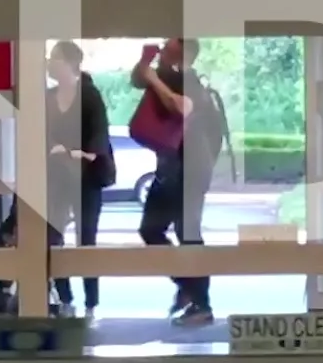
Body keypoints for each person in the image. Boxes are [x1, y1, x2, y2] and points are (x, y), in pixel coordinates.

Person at [130, 39, 215, 326]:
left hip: (191, 166)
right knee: (150, 229)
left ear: (183, 53)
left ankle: (202, 304)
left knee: (187, 230)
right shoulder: (166, 73)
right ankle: (188, 286)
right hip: (170, 166)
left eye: (170, 44)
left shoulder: (189, 80)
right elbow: (137, 80)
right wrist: (145, 64)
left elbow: (181, 107)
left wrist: (153, 76)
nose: (163, 47)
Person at [45, 41, 111, 315]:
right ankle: (65, 297)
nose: (49, 63)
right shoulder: (47, 97)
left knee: (87, 238)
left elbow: (99, 133)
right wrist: (52, 148)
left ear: (71, 63)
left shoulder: (90, 95)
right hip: (56, 176)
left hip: (86, 176)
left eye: (55, 58)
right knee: (53, 235)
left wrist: (85, 154)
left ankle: (92, 302)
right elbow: (41, 131)